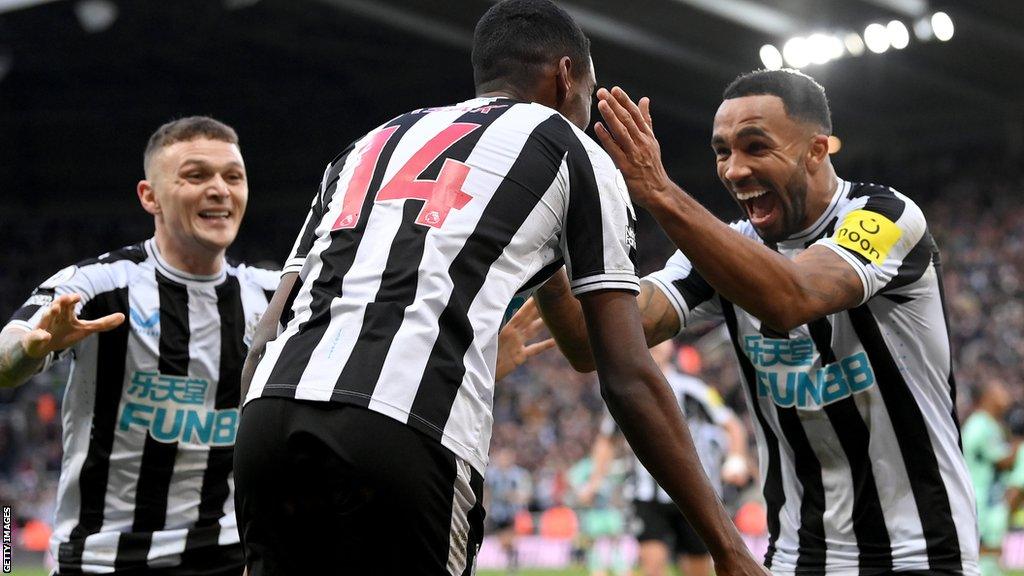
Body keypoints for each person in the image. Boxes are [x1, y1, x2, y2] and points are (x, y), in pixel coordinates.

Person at [232, 1, 767, 575]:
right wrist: (728, 546)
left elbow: (267, 332)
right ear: (567, 76)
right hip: (402, 424)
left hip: (269, 418)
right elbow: (625, 371)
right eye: (588, 91)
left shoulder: (369, 144)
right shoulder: (574, 150)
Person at [535, 68, 980, 574]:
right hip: (793, 556)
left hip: (919, 551)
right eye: (723, 152)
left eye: (755, 147)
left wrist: (659, 191)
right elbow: (592, 347)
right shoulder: (726, 248)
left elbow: (793, 296)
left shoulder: (884, 215)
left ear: (816, 150)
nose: (734, 170)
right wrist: (546, 245)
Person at [0, 117, 280, 575]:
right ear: (150, 196)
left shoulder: (273, 299)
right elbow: (5, 358)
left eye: (233, 177)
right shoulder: (101, 284)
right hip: (105, 562)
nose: (219, 190)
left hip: (229, 560)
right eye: (196, 175)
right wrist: (29, 351)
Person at [582, 341, 750, 576]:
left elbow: (732, 424)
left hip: (696, 493)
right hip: (646, 494)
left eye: (659, 342)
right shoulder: (625, 392)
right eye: (648, 342)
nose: (654, 347)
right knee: (652, 566)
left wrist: (737, 457)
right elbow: (607, 439)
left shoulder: (695, 389)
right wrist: (595, 479)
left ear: (671, 347)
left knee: (698, 569)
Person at [963, 380, 1019, 576]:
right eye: (1001, 389)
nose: (1007, 393)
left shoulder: (990, 424)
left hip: (989, 501)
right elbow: (1004, 461)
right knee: (985, 555)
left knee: (992, 556)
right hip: (981, 503)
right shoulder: (979, 425)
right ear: (988, 396)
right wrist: (1020, 444)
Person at [485, 448, 533, 574]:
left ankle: (512, 562)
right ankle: (512, 558)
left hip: (511, 512)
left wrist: (513, 496)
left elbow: (525, 494)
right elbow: (487, 491)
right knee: (502, 541)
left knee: (508, 538)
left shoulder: (518, 474)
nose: (504, 460)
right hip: (497, 512)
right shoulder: (492, 474)